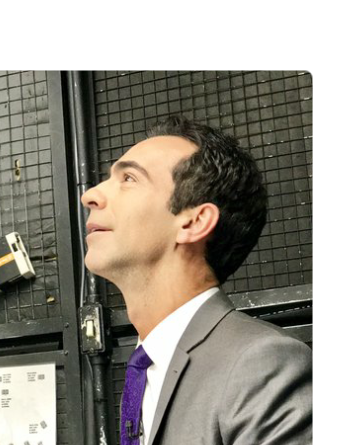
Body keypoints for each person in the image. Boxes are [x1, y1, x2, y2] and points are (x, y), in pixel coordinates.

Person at [80, 116, 312, 445]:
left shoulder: (263, 365)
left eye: (129, 178)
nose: (90, 195)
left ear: (194, 222)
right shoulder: (149, 367)